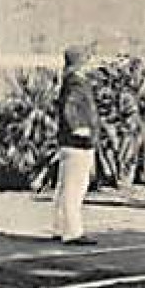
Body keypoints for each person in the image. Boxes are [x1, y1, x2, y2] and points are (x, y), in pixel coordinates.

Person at [53, 45, 99, 245]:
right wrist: (79, 127)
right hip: (78, 143)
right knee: (75, 188)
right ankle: (72, 232)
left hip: (69, 143)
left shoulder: (69, 81)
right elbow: (70, 107)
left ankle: (60, 226)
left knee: (65, 187)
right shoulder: (77, 83)